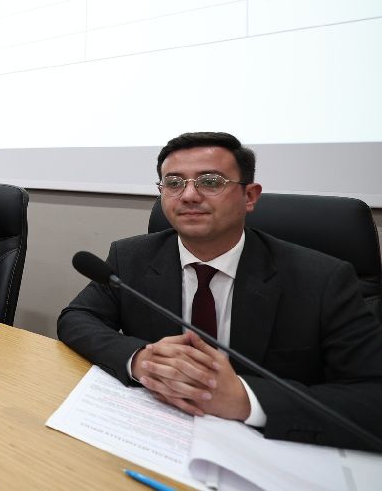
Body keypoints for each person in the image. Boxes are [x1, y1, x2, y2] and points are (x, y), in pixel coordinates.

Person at [57, 131, 382, 451]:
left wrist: (246, 399)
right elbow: (77, 318)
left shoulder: (322, 279)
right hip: (158, 433)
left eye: (210, 181)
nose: (188, 195)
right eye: (174, 183)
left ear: (249, 196)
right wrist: (142, 360)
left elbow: (372, 397)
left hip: (270, 447)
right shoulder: (131, 257)